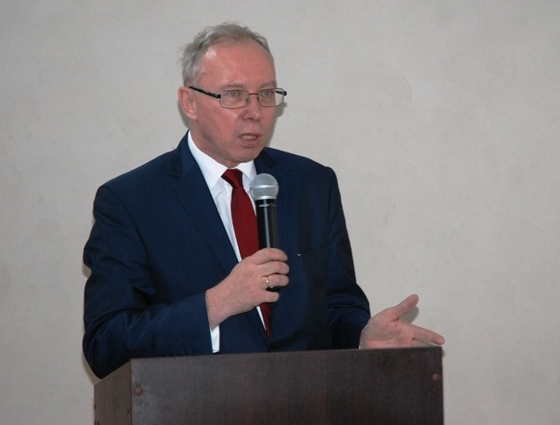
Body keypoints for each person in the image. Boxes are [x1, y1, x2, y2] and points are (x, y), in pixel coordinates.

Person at [82, 23, 444, 379]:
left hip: (310, 402)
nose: (255, 111)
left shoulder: (312, 184)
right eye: (234, 94)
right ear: (189, 102)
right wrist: (215, 304)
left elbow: (336, 305)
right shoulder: (131, 201)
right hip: (198, 403)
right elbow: (106, 345)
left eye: (267, 93)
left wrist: (362, 338)